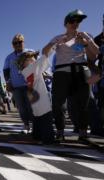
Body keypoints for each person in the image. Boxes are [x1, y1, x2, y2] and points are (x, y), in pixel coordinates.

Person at [42, 9, 99, 141]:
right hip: (62, 72)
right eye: (73, 21)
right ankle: (60, 131)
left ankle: (83, 132)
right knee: (58, 103)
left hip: (81, 71)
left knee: (84, 103)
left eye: (78, 21)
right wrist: (55, 43)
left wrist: (87, 42)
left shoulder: (85, 36)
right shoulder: (58, 37)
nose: (76, 23)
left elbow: (94, 54)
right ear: (66, 23)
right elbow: (45, 53)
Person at [16, 51, 55, 144]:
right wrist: (53, 45)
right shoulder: (32, 68)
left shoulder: (25, 71)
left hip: (35, 96)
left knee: (37, 116)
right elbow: (45, 56)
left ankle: (37, 136)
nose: (34, 60)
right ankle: (48, 139)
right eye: (31, 58)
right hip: (40, 96)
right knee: (46, 117)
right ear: (24, 62)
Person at [3, 34, 34, 133]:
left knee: (31, 106)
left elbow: (38, 66)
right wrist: (8, 82)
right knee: (21, 107)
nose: (17, 44)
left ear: (24, 42)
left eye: (20, 42)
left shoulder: (31, 52)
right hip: (16, 86)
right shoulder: (9, 57)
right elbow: (6, 71)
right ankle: (26, 125)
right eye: (15, 43)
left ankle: (34, 125)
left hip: (30, 85)